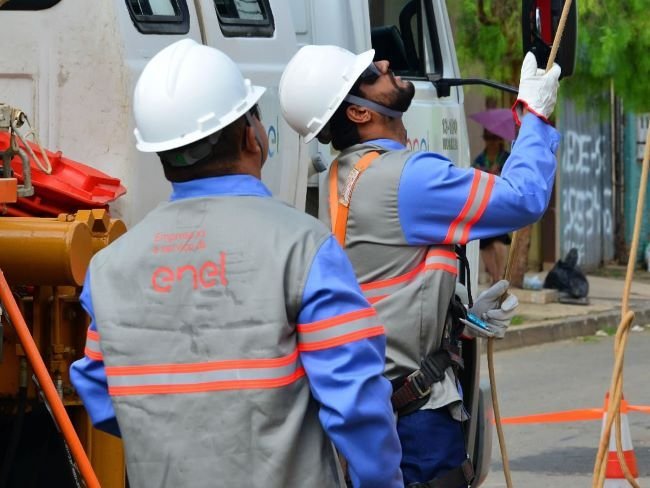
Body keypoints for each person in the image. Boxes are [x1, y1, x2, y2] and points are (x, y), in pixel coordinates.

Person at [69, 39, 403, 488]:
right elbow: (357, 405)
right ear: (252, 135)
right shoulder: (302, 247)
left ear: (165, 155)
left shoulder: (109, 269)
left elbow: (103, 397)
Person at [279, 45, 561, 487]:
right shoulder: (407, 177)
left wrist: (457, 320)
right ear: (358, 112)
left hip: (385, 410)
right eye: (373, 72)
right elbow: (524, 198)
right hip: (417, 425)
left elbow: (384, 281)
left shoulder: (344, 173)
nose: (387, 64)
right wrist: (536, 120)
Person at [472, 129, 512, 284]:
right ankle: (495, 277)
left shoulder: (506, 158)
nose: (492, 142)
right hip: (484, 203)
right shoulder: (480, 159)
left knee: (499, 240)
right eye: (489, 138)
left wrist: (498, 174)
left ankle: (501, 274)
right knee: (485, 243)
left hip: (500, 202)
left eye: (495, 138)